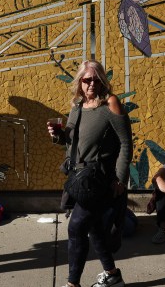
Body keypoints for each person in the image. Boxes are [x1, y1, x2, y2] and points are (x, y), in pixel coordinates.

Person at [47, 60, 132, 287]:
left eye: (96, 79)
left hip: (100, 178)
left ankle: (72, 284)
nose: (91, 84)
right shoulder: (77, 106)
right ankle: (112, 275)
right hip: (79, 178)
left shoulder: (110, 104)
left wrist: (121, 180)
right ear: (80, 83)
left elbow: (125, 143)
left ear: (103, 80)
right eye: (87, 80)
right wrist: (57, 135)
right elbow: (70, 143)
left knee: (76, 228)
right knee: (93, 229)